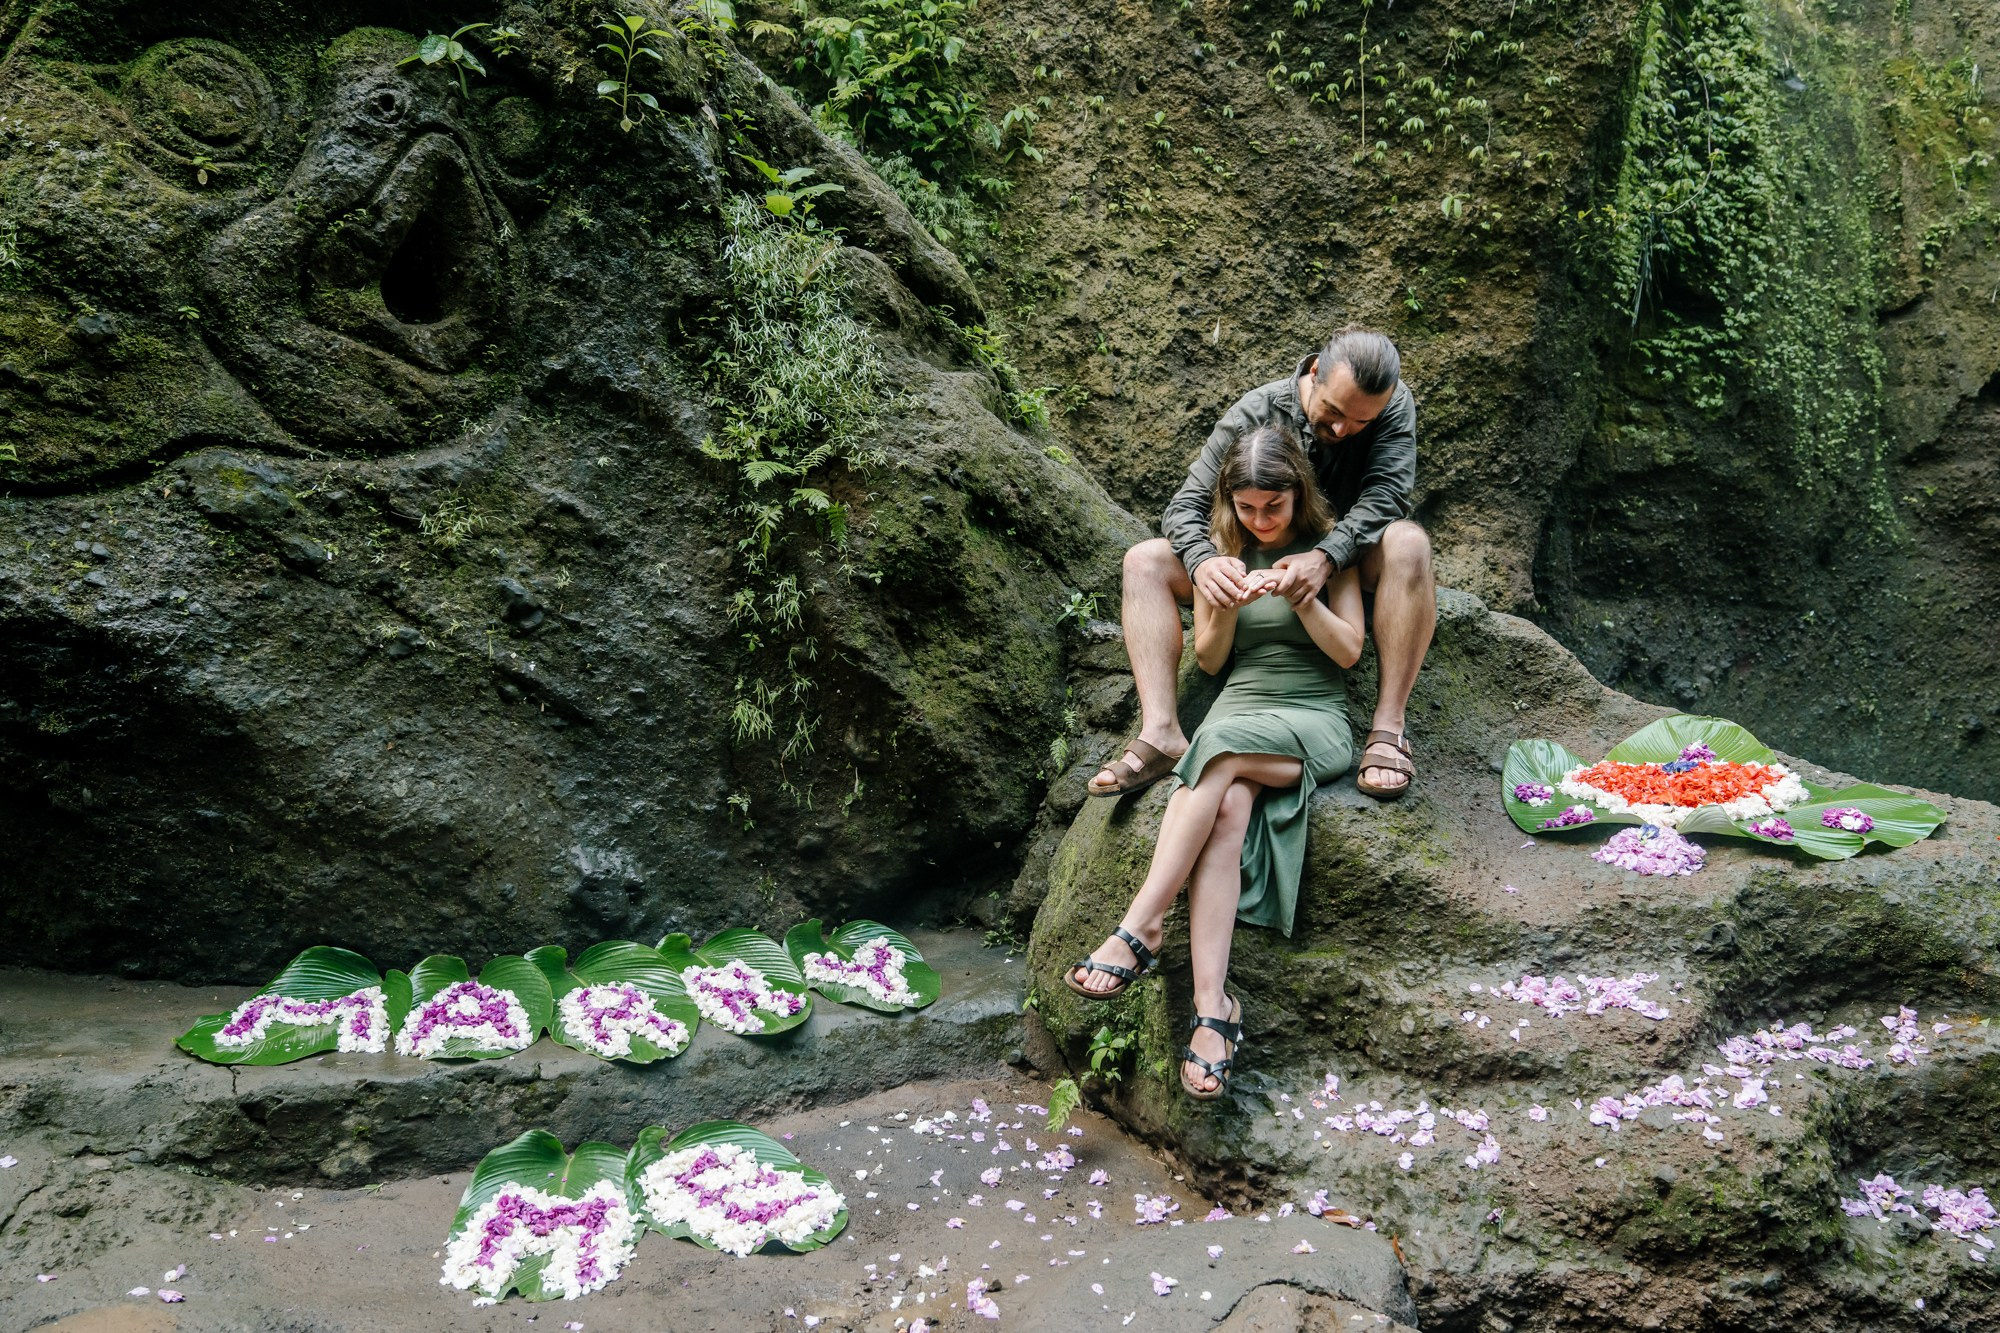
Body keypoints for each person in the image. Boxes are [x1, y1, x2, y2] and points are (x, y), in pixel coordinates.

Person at [1065, 425, 1365, 1099]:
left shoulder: (1330, 553)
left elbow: (1348, 652)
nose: (1261, 520)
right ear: (1232, 502)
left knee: (1215, 754)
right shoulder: (1222, 553)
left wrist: (1304, 597)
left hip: (1310, 719)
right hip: (1238, 710)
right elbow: (1207, 659)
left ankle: (1140, 923)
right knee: (1225, 803)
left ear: (1299, 495)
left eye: (1275, 507)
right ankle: (1212, 1010)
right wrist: (1222, 598)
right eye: (1249, 507)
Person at [1088, 326, 1434, 801]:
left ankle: (1388, 728)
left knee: (1409, 542)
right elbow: (1184, 507)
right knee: (1143, 561)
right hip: (1249, 559)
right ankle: (1162, 730)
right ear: (1315, 373)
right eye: (1332, 412)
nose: (1340, 431)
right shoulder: (1256, 411)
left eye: (1359, 424)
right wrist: (1205, 562)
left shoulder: (1394, 406)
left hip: (1350, 557)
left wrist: (1327, 558)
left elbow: (1387, 494)